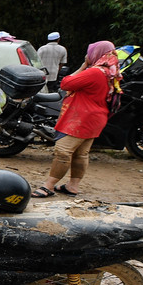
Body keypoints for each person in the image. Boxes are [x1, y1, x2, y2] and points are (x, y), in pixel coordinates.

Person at [32, 40, 121, 198]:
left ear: (97, 53)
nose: (87, 55)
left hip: (81, 118)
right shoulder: (111, 72)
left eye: (90, 52)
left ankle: (49, 186)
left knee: (63, 152)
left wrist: (83, 66)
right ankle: (73, 185)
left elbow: (66, 83)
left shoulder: (95, 72)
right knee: (81, 154)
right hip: (96, 118)